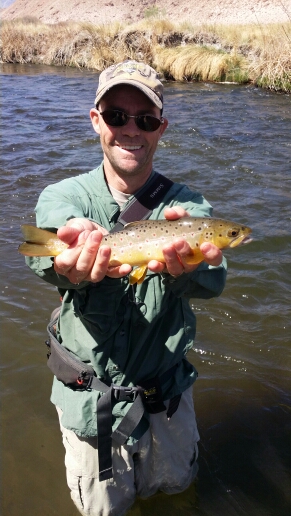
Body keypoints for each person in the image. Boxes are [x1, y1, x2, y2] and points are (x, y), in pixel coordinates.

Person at [26, 60, 227, 516]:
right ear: (96, 119)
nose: (131, 129)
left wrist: (187, 271)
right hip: (91, 410)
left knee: (178, 497)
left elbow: (215, 280)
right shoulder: (63, 196)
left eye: (146, 119)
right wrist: (69, 264)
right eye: (117, 115)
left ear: (161, 129)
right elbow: (47, 261)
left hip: (167, 404)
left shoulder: (190, 207)